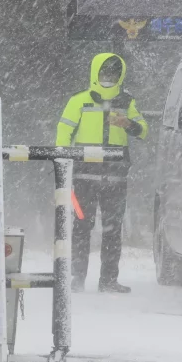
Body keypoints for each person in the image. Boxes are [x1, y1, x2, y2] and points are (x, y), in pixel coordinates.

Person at [56, 53, 148, 293]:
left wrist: (128, 124)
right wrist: (63, 161)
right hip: (83, 177)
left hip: (116, 177)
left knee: (112, 230)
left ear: (120, 76)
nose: (108, 79)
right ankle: (76, 279)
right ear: (95, 74)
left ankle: (108, 280)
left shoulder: (127, 102)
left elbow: (144, 131)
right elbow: (63, 132)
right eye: (104, 74)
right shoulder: (79, 101)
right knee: (80, 228)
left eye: (113, 74)